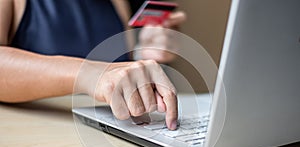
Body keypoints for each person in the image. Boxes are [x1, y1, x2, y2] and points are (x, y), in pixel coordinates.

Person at [0, 0, 186, 130]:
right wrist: (89, 74)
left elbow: (117, 68)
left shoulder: (118, 3)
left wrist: (143, 50)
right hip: (40, 137)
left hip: (110, 136)